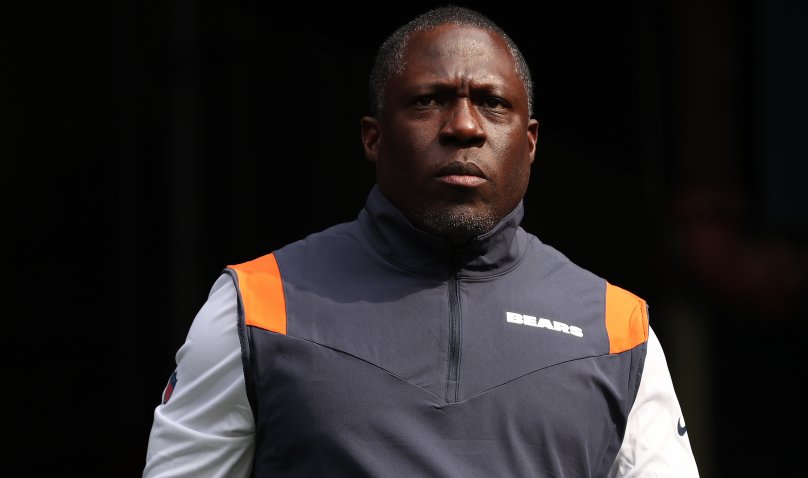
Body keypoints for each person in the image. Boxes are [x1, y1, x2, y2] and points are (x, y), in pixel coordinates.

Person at [143, 5, 700, 477]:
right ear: (372, 137)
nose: (464, 126)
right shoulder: (257, 305)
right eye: (428, 100)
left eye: (493, 102)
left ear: (530, 143)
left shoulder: (617, 328)